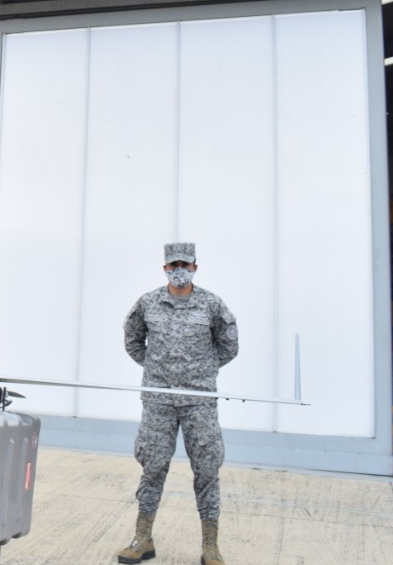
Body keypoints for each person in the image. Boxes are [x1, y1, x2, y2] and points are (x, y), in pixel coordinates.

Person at [118, 242, 239, 565]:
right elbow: (132, 340)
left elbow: (229, 345)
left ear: (196, 267)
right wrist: (157, 368)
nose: (179, 270)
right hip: (159, 401)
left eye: (185, 264)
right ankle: (143, 538)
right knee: (153, 467)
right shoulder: (148, 303)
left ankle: (210, 547)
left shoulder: (212, 305)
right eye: (173, 266)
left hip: (199, 401)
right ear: (165, 269)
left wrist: (202, 371)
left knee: (207, 469)